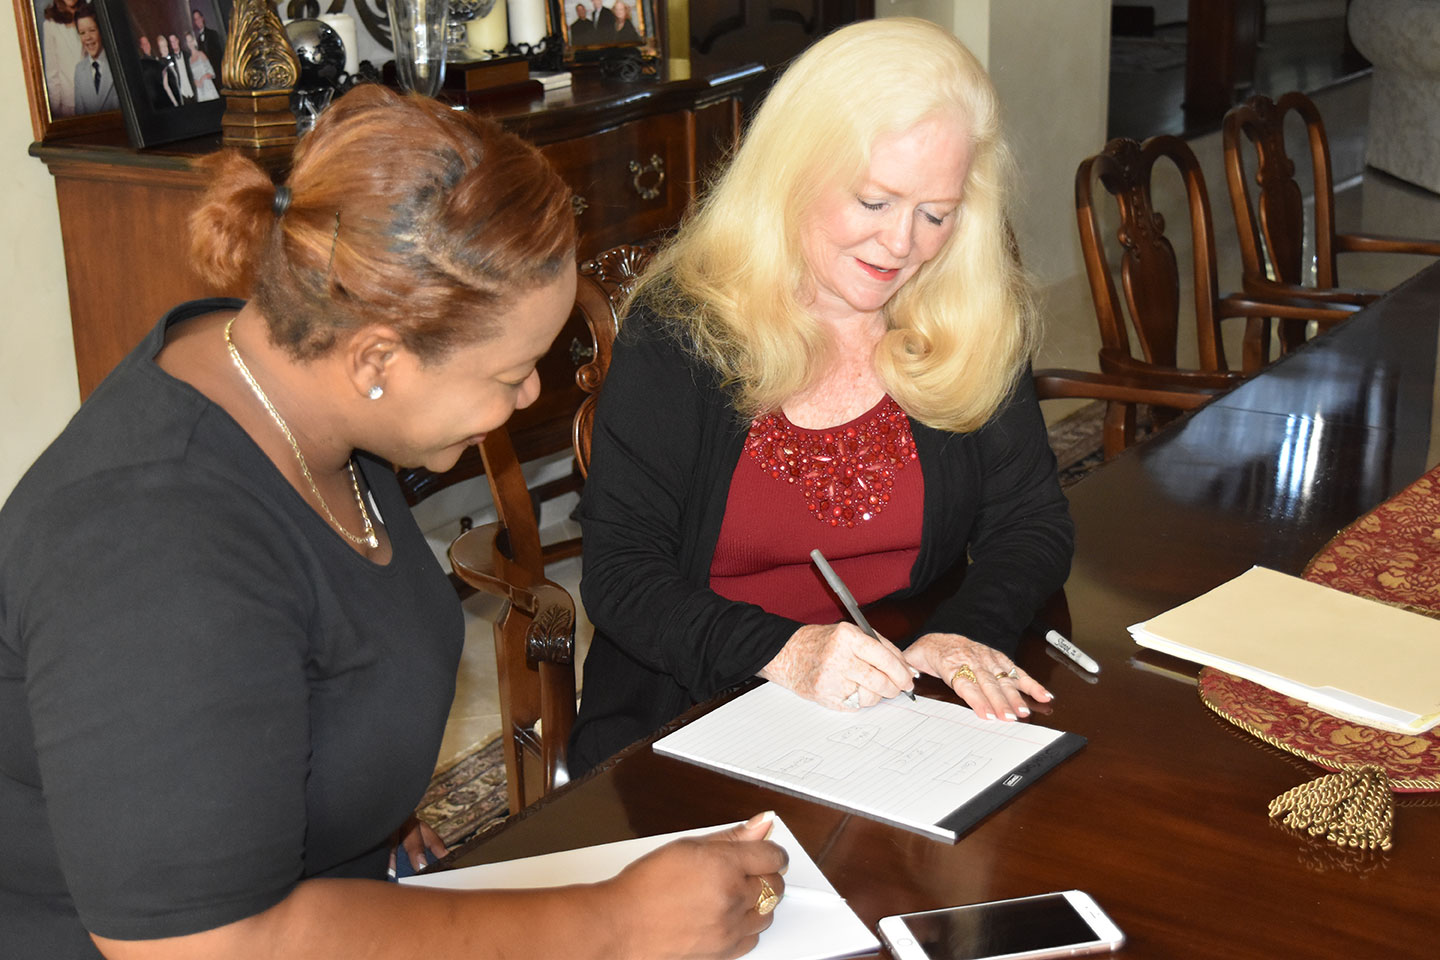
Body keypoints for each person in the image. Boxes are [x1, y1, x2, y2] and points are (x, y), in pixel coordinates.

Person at [0, 85, 786, 960]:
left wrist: (358, 804)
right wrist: (617, 924)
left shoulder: (297, 376)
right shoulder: (151, 546)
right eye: (513, 371)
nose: (530, 395)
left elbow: (289, 673)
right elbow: (204, 947)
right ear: (377, 357)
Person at [568, 18, 1076, 777]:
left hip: (900, 712)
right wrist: (788, 650)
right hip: (695, 712)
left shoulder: (968, 311)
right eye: (874, 201)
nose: (902, 244)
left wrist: (964, 632)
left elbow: (1031, 522)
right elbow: (621, 573)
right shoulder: (684, 325)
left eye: (935, 214)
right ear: (794, 172)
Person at [70, 5, 117, 114]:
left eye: (92, 30)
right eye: (82, 33)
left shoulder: (117, 64)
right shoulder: (79, 70)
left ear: (102, 30)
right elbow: (80, 117)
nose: (87, 38)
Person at [41, 0, 84, 117]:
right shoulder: (50, 24)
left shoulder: (90, 14)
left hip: (96, 99)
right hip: (69, 105)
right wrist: (55, 112)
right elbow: (52, 72)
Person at [192, 7, 224, 82]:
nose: (198, 21)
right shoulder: (197, 40)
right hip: (208, 75)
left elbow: (220, 54)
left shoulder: (213, 34)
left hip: (218, 72)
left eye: (199, 18)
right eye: (196, 19)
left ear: (202, 18)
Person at [185, 32, 219, 102]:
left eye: (191, 41)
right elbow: (191, 77)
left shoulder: (201, 54)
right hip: (199, 90)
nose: (190, 43)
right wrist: (195, 82)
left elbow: (212, 73)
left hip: (208, 86)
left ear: (194, 41)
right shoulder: (189, 60)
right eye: (188, 42)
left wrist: (202, 78)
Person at [168, 32, 196, 103]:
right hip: (182, 95)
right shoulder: (170, 60)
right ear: (170, 44)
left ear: (178, 40)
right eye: (172, 42)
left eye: (174, 40)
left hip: (193, 91)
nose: (174, 43)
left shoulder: (188, 55)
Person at [155, 34, 181, 107]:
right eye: (162, 46)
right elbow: (166, 86)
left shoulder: (170, 59)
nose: (165, 48)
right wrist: (175, 102)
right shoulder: (162, 64)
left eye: (165, 45)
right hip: (175, 99)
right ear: (159, 49)